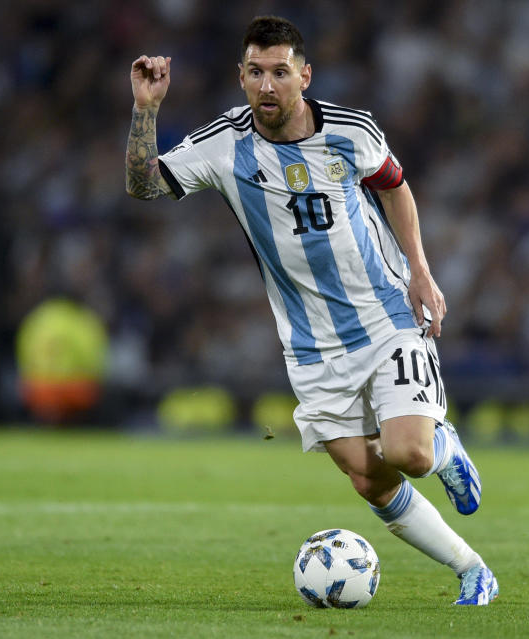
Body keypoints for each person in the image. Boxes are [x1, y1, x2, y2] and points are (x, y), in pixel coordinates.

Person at [125, 15, 498, 606]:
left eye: (279, 72)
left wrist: (421, 273)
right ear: (240, 77)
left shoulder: (351, 131)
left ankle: (444, 445)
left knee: (410, 455)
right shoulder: (224, 144)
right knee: (367, 477)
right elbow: (145, 186)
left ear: (304, 74)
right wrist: (146, 109)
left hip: (385, 316)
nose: (267, 86)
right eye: (255, 73)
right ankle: (472, 569)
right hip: (310, 345)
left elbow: (395, 188)